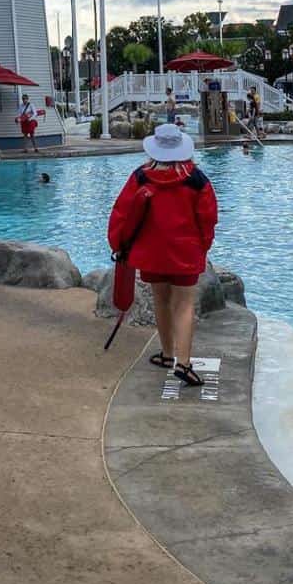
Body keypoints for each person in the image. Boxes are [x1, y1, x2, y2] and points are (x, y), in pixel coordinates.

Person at [107, 122, 218, 387]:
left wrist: (117, 244)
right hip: (186, 253)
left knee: (161, 299)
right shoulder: (197, 179)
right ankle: (184, 363)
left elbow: (121, 213)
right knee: (184, 305)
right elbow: (208, 219)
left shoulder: (141, 176)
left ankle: (168, 354)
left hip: (151, 253)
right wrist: (203, 246)